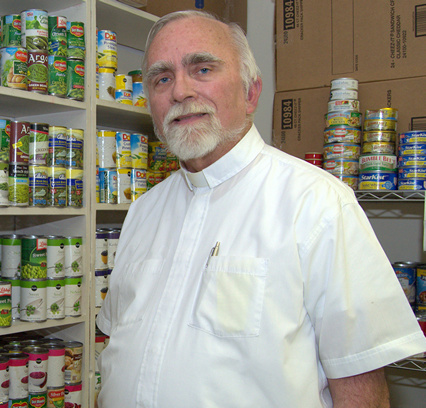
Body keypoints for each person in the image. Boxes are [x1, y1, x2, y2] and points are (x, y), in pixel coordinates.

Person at [96, 10, 426, 408]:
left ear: (251, 92)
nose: (180, 91)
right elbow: (117, 351)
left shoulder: (317, 202)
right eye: (162, 78)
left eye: (202, 69)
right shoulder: (143, 211)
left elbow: (359, 386)